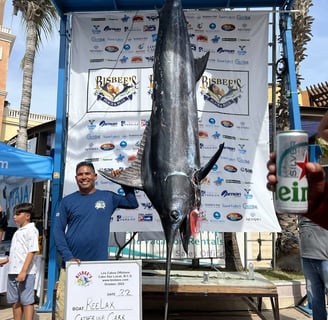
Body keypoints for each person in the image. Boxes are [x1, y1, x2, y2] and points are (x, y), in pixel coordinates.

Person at [54, 161, 139, 320]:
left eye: (87, 174)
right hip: (72, 267)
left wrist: (123, 180)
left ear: (95, 176)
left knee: (94, 312)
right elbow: (58, 231)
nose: (84, 177)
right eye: (80, 174)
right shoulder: (67, 201)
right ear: (76, 177)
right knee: (64, 313)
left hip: (98, 267)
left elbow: (132, 203)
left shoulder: (107, 197)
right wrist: (68, 257)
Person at [2, 203, 39, 320]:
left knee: (27, 300)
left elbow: (31, 251)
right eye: (14, 214)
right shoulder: (18, 231)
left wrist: (23, 271)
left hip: (26, 272)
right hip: (12, 271)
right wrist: (7, 260)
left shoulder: (31, 230)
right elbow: (18, 252)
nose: (14, 217)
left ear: (27, 216)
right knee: (14, 300)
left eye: (18, 214)